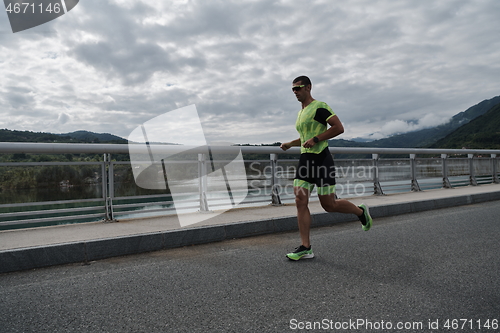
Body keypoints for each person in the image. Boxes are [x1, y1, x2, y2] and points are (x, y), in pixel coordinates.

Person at [280, 75, 373, 261]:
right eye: (293, 89)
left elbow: (338, 128)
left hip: (322, 160)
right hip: (305, 160)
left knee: (329, 205)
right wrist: (291, 143)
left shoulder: (319, 107)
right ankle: (306, 247)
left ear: (309, 87)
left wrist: (316, 139)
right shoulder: (301, 112)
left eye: (298, 88)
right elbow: (307, 135)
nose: (295, 92)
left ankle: (361, 212)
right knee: (300, 200)